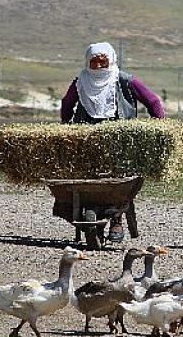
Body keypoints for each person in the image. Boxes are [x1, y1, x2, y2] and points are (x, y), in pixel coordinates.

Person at [60, 42, 165, 242]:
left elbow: (152, 101)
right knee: (87, 178)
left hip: (120, 143)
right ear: (87, 63)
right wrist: (66, 127)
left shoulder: (125, 80)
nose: (99, 66)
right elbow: (67, 103)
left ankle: (117, 219)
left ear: (111, 60)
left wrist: (160, 126)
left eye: (103, 61)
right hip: (87, 141)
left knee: (118, 180)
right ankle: (87, 212)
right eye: (94, 62)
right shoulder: (80, 82)